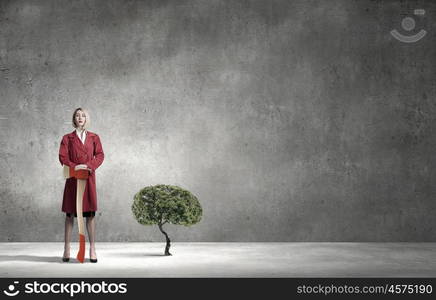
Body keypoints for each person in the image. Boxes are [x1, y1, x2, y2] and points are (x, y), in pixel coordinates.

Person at [59, 107, 104, 263]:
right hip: (73, 178)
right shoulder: (67, 138)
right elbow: (63, 157)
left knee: (90, 214)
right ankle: (66, 249)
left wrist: (90, 166)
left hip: (88, 177)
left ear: (86, 119)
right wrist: (74, 166)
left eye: (83, 115)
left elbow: (100, 154)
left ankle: (92, 248)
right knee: (70, 214)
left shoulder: (94, 137)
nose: (80, 118)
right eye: (77, 115)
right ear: (74, 119)